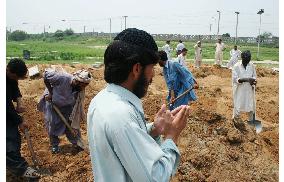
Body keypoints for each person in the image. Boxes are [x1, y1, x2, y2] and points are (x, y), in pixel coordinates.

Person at [87, 28, 190, 182]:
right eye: (152, 68)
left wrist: (154, 130)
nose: (153, 75)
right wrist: (171, 136)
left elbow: (124, 145)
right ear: (136, 69)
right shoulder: (121, 115)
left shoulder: (101, 100)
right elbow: (156, 177)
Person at [38, 68, 91, 153]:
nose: (83, 88)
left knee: (71, 124)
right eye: (83, 85)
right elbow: (46, 75)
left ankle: (77, 143)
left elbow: (77, 102)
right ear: (77, 81)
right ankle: (54, 146)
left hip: (67, 105)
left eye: (85, 86)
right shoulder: (63, 77)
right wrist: (51, 93)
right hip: (53, 104)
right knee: (52, 124)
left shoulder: (79, 89)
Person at [6, 58, 41, 179]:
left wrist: (19, 101)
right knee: (7, 145)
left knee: (14, 138)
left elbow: (14, 87)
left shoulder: (10, 76)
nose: (17, 80)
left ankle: (15, 162)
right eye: (17, 77)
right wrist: (20, 120)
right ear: (10, 72)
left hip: (7, 112)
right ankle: (23, 170)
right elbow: (6, 106)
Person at [232, 50, 257, 121]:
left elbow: (254, 76)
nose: (248, 60)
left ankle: (252, 122)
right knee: (237, 106)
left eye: (249, 58)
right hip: (239, 90)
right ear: (242, 58)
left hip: (249, 89)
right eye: (246, 58)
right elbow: (235, 79)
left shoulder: (251, 65)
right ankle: (235, 122)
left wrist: (254, 81)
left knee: (251, 107)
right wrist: (247, 79)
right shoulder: (236, 66)